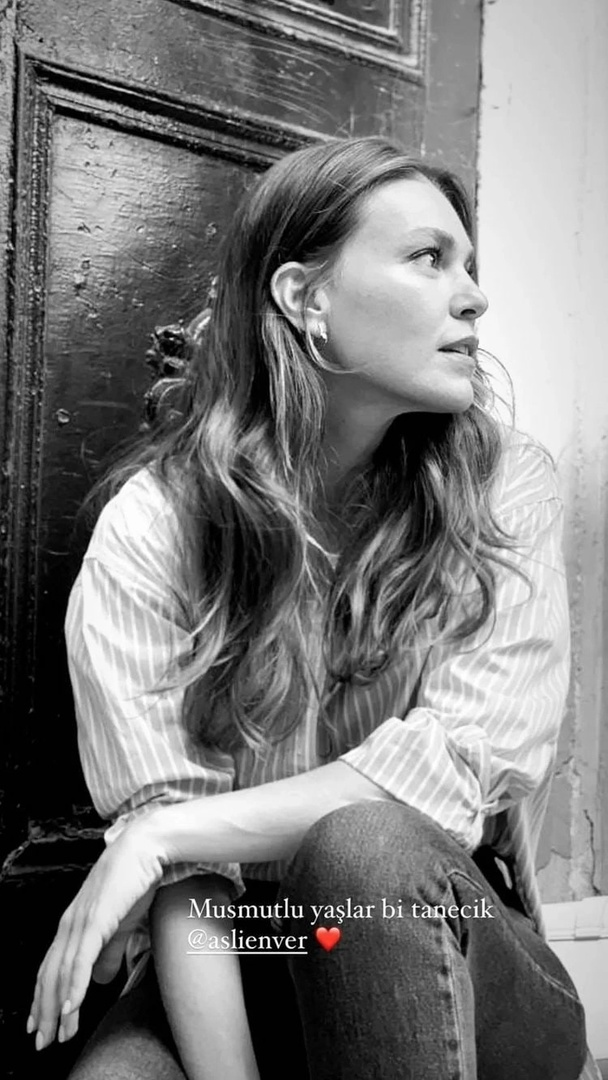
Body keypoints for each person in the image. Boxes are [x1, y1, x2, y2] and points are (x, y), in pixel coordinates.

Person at [27, 136, 598, 1080]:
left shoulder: (506, 487)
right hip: (254, 944)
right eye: (428, 257)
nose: (473, 296)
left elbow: (449, 770)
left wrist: (162, 833)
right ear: (305, 298)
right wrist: (171, 841)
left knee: (362, 845)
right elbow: (190, 883)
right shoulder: (156, 524)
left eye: (468, 265)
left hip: (447, 940)